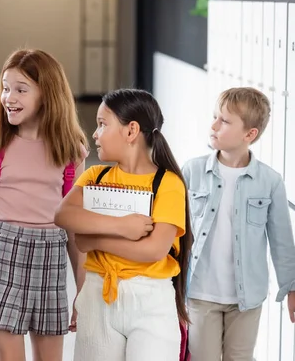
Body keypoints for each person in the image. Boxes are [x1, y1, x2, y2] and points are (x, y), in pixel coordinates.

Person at [0, 49, 89, 361]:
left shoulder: (72, 152)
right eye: (6, 88)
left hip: (50, 255)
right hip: (1, 255)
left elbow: (75, 228)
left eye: (21, 89)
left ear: (47, 94)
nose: (9, 97)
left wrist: (82, 291)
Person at [54, 89, 193, 361]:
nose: (95, 133)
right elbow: (63, 214)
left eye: (102, 124)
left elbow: (154, 250)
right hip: (97, 296)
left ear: (131, 131)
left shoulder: (168, 184)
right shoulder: (96, 176)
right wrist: (123, 227)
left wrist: (93, 240)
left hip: (151, 302)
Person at [182, 87, 295, 360]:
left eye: (224, 121)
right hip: (199, 293)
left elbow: (282, 242)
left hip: (247, 299)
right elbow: (177, 232)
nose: (213, 125)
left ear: (249, 134)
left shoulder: (270, 181)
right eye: (214, 117)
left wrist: (291, 287)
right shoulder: (192, 171)